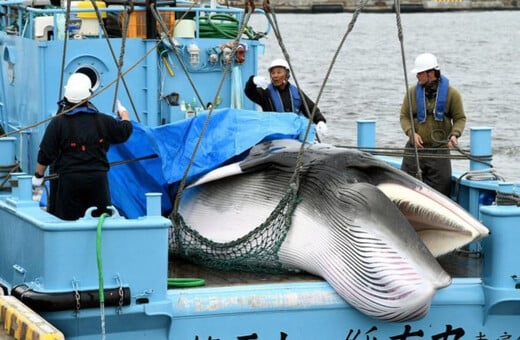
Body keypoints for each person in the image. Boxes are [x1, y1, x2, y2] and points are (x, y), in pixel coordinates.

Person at [32, 73, 133, 220]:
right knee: (101, 222)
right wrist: (124, 113)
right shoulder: (103, 120)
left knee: (68, 224)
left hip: (69, 182)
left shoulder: (58, 123)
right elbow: (125, 131)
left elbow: (45, 154)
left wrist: (38, 177)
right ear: (87, 96)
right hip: (98, 181)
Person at [399, 53, 466, 197]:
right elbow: (404, 116)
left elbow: (460, 118)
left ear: (431, 73)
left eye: (419, 73)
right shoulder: (411, 93)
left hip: (439, 153)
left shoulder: (452, 94)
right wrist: (411, 133)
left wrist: (455, 134)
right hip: (414, 152)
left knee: (439, 196)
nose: (417, 76)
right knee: (407, 193)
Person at [244, 58, 328, 138]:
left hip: (293, 134)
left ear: (287, 74)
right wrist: (252, 81)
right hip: (274, 136)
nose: (275, 76)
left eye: (279, 72)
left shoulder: (296, 92)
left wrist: (320, 121)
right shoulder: (266, 93)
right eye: (273, 73)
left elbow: (311, 108)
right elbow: (249, 92)